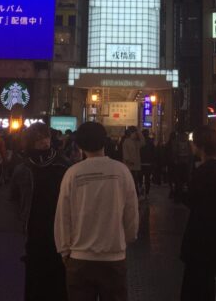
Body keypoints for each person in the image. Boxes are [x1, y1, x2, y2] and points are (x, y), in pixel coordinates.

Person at [54, 121, 138, 301]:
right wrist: (127, 238)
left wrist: (64, 249)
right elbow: (131, 212)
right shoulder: (121, 171)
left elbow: (63, 214)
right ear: (105, 141)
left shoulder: (73, 173)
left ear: (79, 144)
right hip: (114, 256)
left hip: (79, 257)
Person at [12, 123, 71, 301]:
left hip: (58, 222)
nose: (44, 142)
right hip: (34, 224)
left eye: (46, 137)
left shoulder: (62, 164)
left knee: (57, 265)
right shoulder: (23, 167)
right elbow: (15, 196)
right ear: (30, 142)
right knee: (36, 266)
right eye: (39, 139)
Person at [180, 126, 216, 301]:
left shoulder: (205, 171)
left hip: (201, 243)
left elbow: (193, 200)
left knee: (197, 289)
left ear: (200, 145)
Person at [169, 130, 194, 201]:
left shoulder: (176, 143)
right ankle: (184, 195)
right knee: (184, 180)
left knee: (178, 181)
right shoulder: (188, 143)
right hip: (185, 164)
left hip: (179, 164)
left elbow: (174, 153)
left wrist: (175, 160)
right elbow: (191, 154)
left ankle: (178, 196)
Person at [120, 126, 142, 195]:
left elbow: (143, 142)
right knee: (132, 181)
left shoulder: (136, 142)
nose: (135, 134)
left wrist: (138, 132)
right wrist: (128, 161)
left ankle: (135, 194)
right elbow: (125, 153)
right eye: (134, 133)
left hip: (135, 165)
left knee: (135, 181)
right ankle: (134, 194)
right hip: (130, 165)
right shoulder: (126, 141)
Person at [139, 129, 157, 197]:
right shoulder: (151, 142)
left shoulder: (140, 141)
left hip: (141, 163)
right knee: (147, 178)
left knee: (140, 177)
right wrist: (153, 162)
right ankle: (147, 192)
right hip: (149, 163)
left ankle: (141, 189)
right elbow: (154, 153)